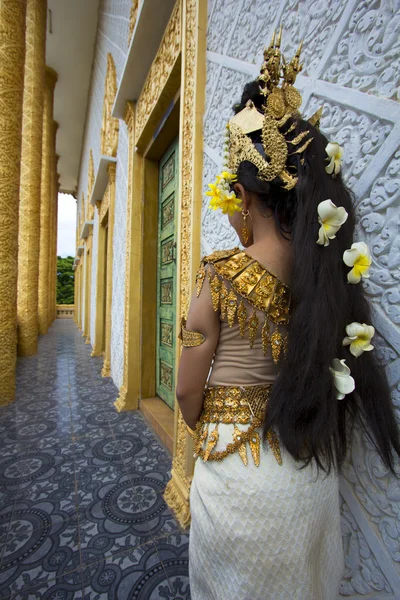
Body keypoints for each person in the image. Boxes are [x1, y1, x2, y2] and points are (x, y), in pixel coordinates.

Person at [175, 30, 400, 600]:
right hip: (306, 476)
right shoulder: (327, 278)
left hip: (237, 480)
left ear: (246, 200)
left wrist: (216, 426)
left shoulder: (221, 272)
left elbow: (183, 391)